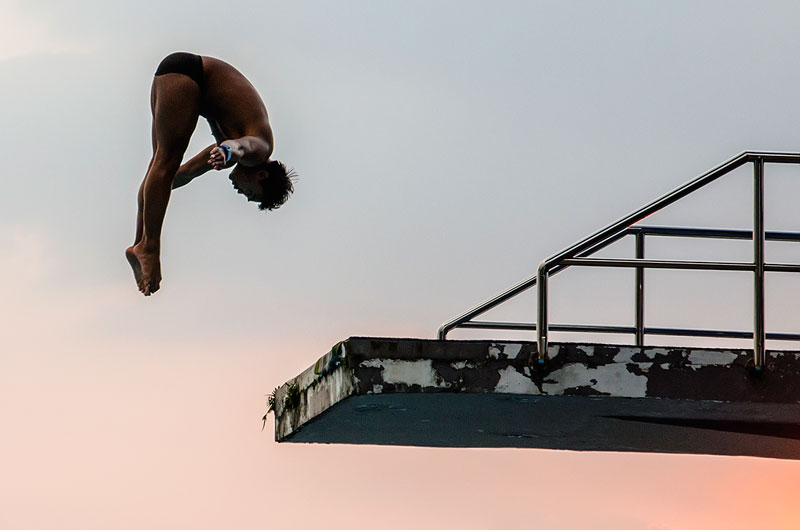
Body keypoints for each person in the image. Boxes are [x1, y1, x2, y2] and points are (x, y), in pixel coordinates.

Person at [126, 52, 295, 296]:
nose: (242, 193)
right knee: (164, 164)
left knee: (160, 169)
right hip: (190, 76)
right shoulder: (261, 149)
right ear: (262, 177)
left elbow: (181, 176)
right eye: (251, 194)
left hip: (177, 73)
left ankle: (139, 244)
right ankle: (150, 248)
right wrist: (226, 151)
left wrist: (157, 191)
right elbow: (241, 145)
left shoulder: (234, 154)